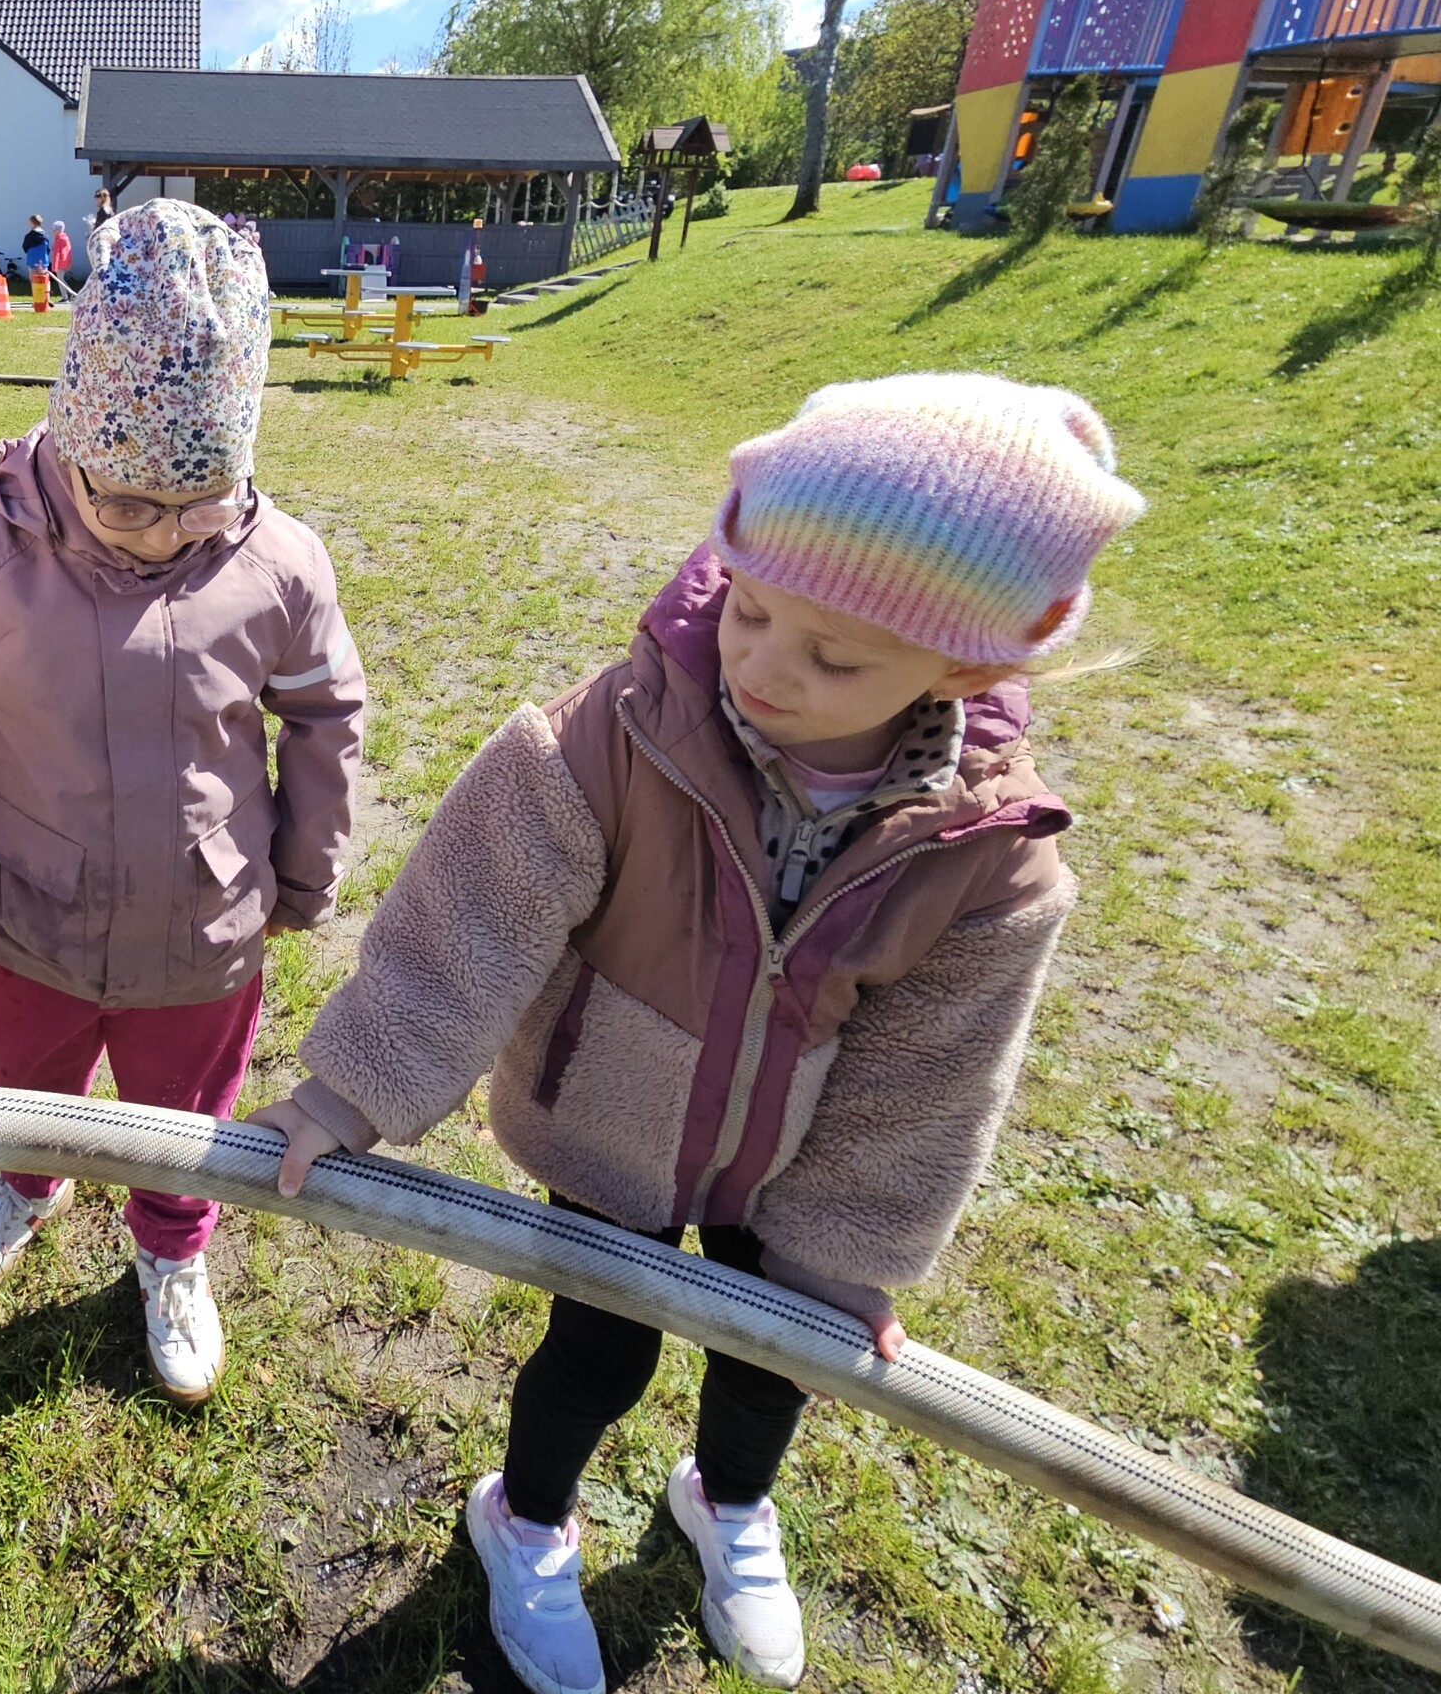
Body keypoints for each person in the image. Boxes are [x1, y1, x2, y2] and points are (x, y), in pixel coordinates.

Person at [250, 374, 1143, 1694]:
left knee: (772, 1365)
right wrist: (352, 1089)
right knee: (596, 1348)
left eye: (835, 658)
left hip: (793, 1166)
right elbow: (474, 915)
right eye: (751, 608)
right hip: (605, 1131)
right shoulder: (615, 738)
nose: (765, 666)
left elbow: (929, 1078)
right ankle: (528, 1519)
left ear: (968, 668)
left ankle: (727, 1502)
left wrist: (849, 1255)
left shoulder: (990, 859)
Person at [0, 198, 364, 1405]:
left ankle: (172, 1246)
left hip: (204, 925)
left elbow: (326, 717)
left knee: (187, 1111)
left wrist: (302, 872)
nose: (163, 536)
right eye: (127, 503)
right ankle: (28, 1178)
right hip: (29, 915)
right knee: (30, 1078)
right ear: (70, 445)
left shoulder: (277, 565)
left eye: (201, 502)